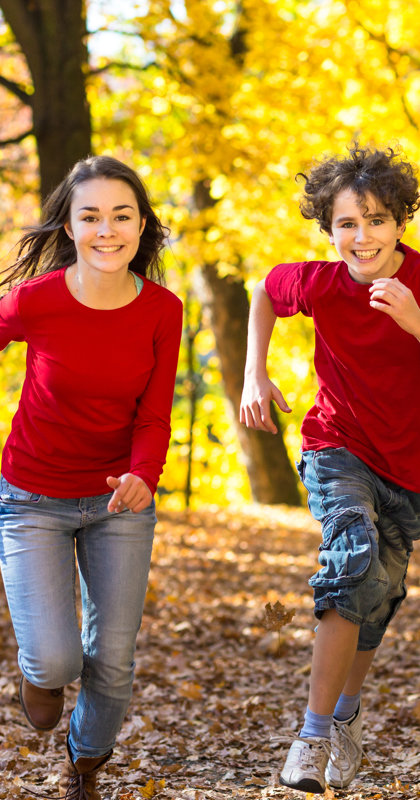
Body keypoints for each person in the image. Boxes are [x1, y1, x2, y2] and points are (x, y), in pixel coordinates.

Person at [240, 143, 420, 793]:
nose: (362, 235)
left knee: (374, 600)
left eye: (376, 219)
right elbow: (265, 288)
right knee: (351, 555)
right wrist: (253, 373)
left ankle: (344, 717)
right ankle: (313, 734)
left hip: (410, 467)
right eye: (346, 223)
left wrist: (416, 323)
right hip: (336, 446)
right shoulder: (319, 282)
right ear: (329, 231)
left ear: (401, 221)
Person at [0, 155, 183, 799]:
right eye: (91, 216)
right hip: (31, 498)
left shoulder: (164, 310)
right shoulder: (36, 301)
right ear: (71, 228)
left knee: (111, 657)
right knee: (55, 659)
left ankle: (85, 764)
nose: (107, 229)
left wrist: (143, 474)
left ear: (141, 226)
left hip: (118, 505)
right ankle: (38, 677)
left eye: (121, 215)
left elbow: (154, 414)